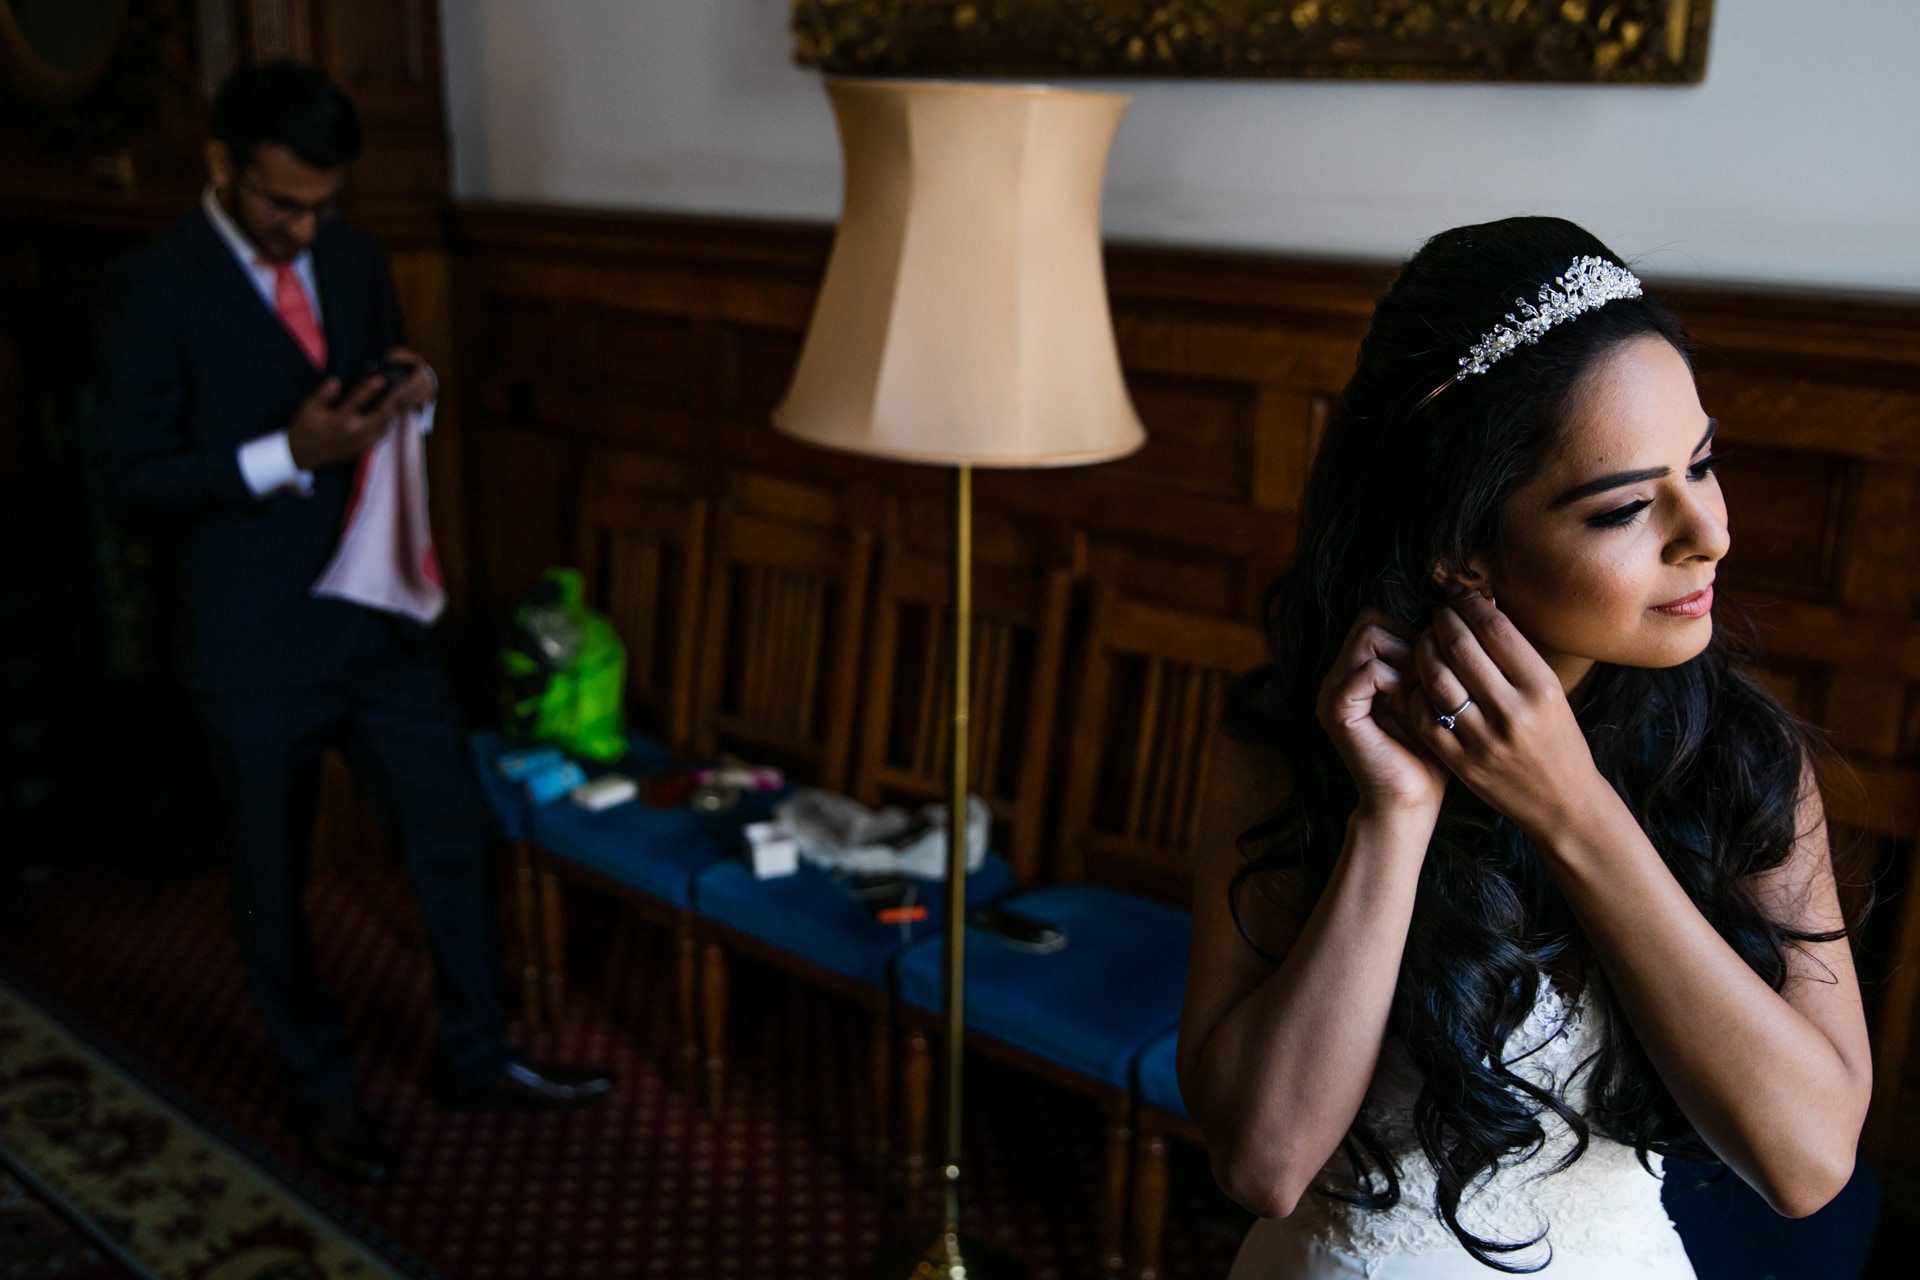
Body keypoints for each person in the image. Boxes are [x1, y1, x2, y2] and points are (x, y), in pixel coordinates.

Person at [1178, 217, 1871, 1277]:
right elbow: (1265, 1161)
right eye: (1629, 505)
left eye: (1703, 462)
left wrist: (1569, 804)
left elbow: (1808, 1160)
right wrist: (1392, 820)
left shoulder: (1744, 760)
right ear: (1464, 547)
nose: (1710, 531)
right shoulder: (1289, 737)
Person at [93, 61, 613, 1186]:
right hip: (248, 643)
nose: (305, 226)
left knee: (454, 831)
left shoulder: (357, 256)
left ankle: (477, 1058)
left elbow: (370, 377)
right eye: (284, 202)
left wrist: (406, 384)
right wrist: (288, 454)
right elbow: (127, 483)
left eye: (324, 204)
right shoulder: (153, 284)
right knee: (271, 882)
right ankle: (322, 1088)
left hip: (374, 620)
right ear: (222, 164)